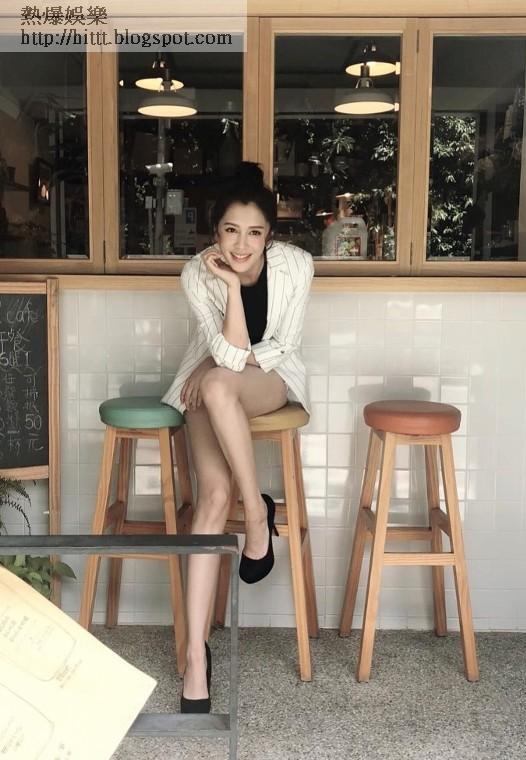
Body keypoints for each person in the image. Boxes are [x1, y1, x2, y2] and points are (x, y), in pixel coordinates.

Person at [161, 161, 315, 714]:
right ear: (215, 232)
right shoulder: (196, 273)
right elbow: (224, 355)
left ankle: (254, 515)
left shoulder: (296, 266)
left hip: (270, 381)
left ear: (270, 236)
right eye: (231, 231)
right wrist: (229, 285)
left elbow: (279, 347)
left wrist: (224, 361)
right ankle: (195, 657)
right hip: (209, 385)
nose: (242, 245)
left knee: (220, 382)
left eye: (254, 233)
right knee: (211, 498)